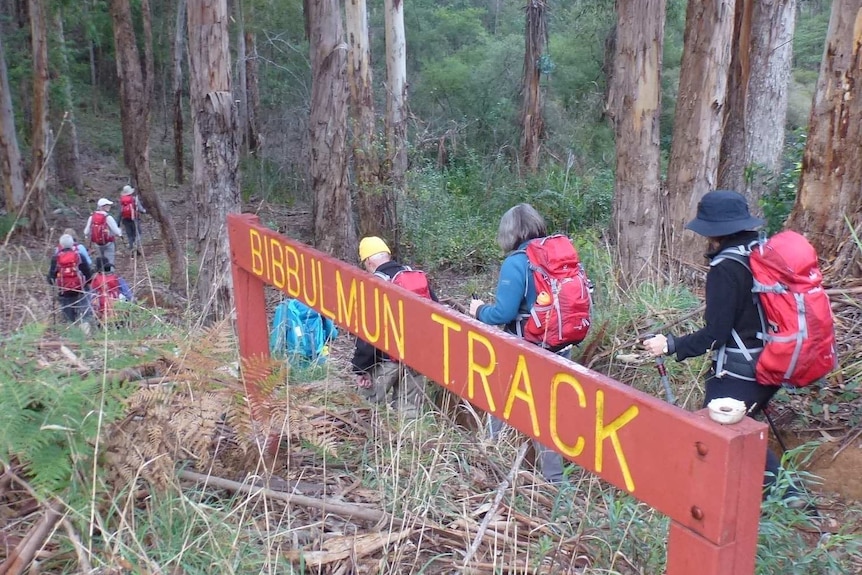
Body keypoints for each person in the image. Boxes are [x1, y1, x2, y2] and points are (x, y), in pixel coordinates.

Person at [642, 189, 802, 505]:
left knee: (715, 435)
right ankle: (781, 498)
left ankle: (783, 501)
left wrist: (670, 344)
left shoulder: (726, 269)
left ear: (714, 232)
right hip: (775, 361)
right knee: (738, 434)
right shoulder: (761, 252)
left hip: (742, 371)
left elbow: (715, 335)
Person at [469, 203, 567, 484]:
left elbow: (503, 313)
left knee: (498, 400)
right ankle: (556, 481)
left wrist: (478, 311)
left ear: (509, 233)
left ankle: (490, 458)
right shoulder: (560, 253)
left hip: (528, 348)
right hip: (561, 346)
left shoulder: (517, 262)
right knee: (548, 414)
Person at [351, 236, 431, 420]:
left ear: (369, 261)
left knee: (364, 408)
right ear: (387, 254)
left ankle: (370, 446)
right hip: (417, 360)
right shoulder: (416, 277)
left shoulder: (376, 285)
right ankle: (407, 447)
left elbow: (368, 332)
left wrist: (361, 368)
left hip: (386, 361)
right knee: (409, 414)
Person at [47, 233, 93, 324]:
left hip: (65, 289)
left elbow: (51, 277)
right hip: (80, 288)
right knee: (84, 305)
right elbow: (87, 273)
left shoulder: (56, 258)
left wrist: (52, 282)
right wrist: (88, 282)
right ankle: (84, 324)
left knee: (67, 307)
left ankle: (70, 325)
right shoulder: (79, 256)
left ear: (61, 245)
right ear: (72, 244)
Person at [90, 257, 133, 324]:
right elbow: (128, 294)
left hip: (102, 314)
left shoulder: (95, 280)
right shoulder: (116, 278)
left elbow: (91, 297)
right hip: (117, 311)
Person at [84, 198, 123, 266]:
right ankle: (110, 274)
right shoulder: (108, 217)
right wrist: (120, 231)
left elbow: (86, 231)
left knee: (101, 261)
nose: (109, 206)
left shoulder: (92, 217)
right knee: (109, 261)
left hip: (97, 244)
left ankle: (101, 275)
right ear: (103, 207)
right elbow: (116, 231)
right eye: (107, 205)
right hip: (108, 243)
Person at [119, 185, 146, 255]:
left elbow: (120, 211)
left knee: (130, 235)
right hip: (134, 219)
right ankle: (135, 245)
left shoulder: (122, 200)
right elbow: (140, 209)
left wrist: (118, 222)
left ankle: (132, 250)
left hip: (125, 220)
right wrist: (144, 211)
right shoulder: (134, 199)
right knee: (138, 233)